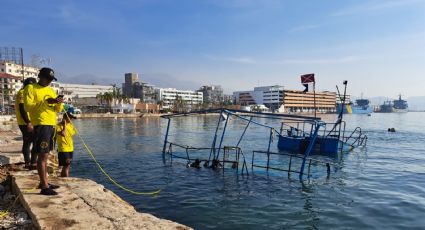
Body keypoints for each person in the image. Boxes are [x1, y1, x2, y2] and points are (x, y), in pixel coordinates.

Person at [24, 67, 64, 196]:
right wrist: (45, 102)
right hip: (41, 125)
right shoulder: (31, 88)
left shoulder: (51, 90)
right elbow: (28, 106)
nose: (49, 82)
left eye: (51, 80)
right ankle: (44, 186)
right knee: (42, 155)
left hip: (51, 124)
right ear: (40, 77)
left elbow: (57, 109)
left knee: (46, 154)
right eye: (47, 79)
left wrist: (58, 102)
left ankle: (44, 182)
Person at [15, 77, 37, 169]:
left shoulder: (24, 92)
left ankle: (29, 163)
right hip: (26, 122)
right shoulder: (23, 92)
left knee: (29, 141)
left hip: (27, 121)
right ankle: (31, 163)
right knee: (31, 142)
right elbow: (22, 108)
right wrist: (28, 122)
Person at [56, 112, 77, 177]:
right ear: (64, 118)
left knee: (67, 166)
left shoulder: (71, 125)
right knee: (66, 165)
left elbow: (73, 133)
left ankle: (63, 179)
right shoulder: (58, 126)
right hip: (63, 148)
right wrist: (64, 125)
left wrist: (68, 124)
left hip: (70, 148)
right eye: (69, 118)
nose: (70, 120)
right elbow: (63, 134)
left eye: (71, 118)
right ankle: (66, 179)